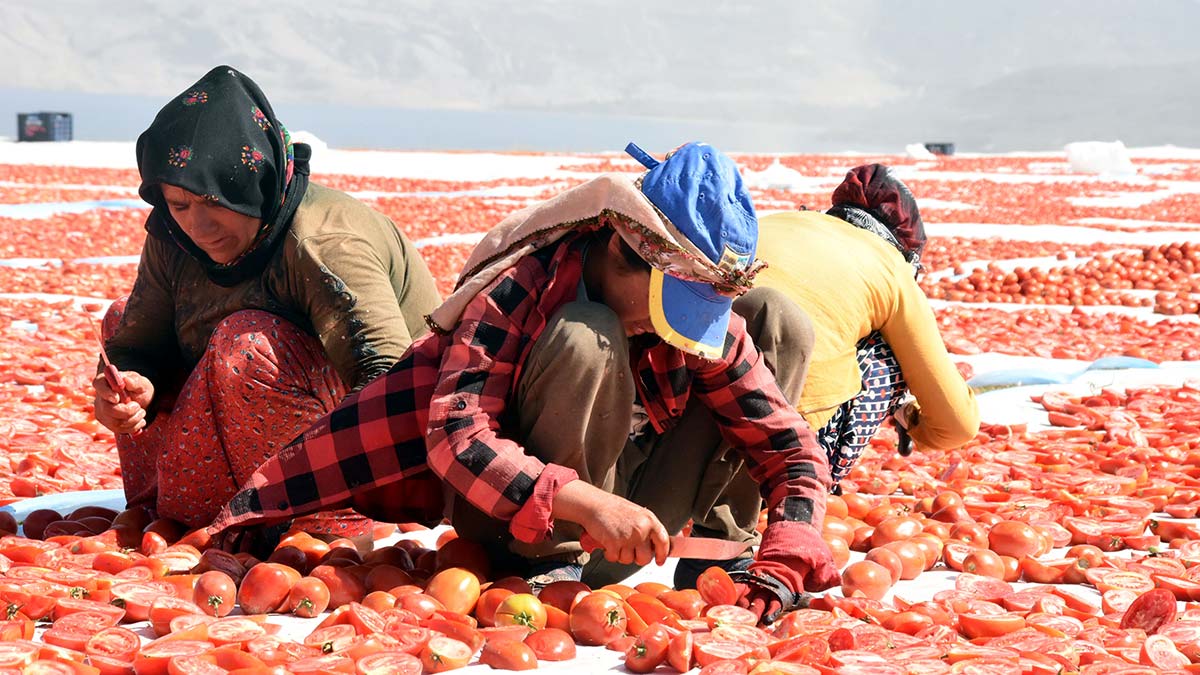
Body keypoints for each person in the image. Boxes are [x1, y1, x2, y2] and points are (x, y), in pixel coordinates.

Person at [206, 142, 839, 623]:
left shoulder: (689, 315)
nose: (672, 329)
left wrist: (790, 546)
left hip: (637, 516)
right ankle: (551, 565)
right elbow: (455, 434)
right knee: (584, 333)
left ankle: (718, 558)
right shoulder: (524, 284)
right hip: (525, 520)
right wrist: (585, 503)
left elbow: (787, 443)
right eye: (666, 304)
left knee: (778, 317)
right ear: (620, 248)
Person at [92, 66, 441, 541]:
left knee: (248, 342)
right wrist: (134, 390)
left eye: (215, 201)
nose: (199, 226)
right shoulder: (173, 237)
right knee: (118, 320)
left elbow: (391, 378)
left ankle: (314, 528)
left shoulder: (325, 243)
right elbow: (140, 339)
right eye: (179, 204)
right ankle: (176, 515)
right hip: (237, 435)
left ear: (254, 183)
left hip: (366, 457)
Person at [688, 164, 980, 559]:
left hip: (680, 399)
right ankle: (788, 492)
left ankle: (718, 505)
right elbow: (957, 424)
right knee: (890, 353)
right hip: (771, 434)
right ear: (905, 249)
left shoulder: (780, 221)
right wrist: (910, 419)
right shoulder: (892, 269)